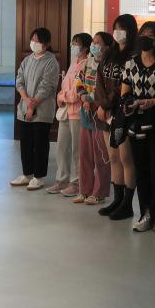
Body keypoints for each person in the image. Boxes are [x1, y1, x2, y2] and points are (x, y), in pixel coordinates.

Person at [120, 21, 155, 232]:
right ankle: (146, 213)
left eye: (151, 36)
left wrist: (151, 102)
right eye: (144, 34)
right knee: (141, 168)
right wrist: (129, 103)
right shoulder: (130, 63)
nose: (146, 39)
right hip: (136, 121)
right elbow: (125, 92)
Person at [95, 14, 138, 218]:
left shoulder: (133, 56)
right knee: (113, 158)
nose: (118, 32)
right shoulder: (109, 54)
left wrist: (107, 104)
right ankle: (117, 200)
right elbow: (100, 80)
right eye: (115, 28)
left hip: (122, 113)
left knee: (125, 158)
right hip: (106, 112)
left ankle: (127, 204)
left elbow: (123, 85)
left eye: (122, 28)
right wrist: (101, 105)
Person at [10, 28, 61, 191]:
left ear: (46, 43)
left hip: (42, 109)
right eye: (33, 39)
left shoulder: (51, 62)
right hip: (25, 108)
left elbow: (47, 86)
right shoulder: (27, 60)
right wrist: (26, 100)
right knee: (25, 143)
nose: (34, 43)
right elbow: (19, 80)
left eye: (37, 40)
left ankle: (39, 177)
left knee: (40, 144)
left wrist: (33, 105)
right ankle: (27, 174)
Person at [75, 32, 114, 205]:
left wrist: (97, 103)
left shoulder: (109, 66)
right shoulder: (88, 62)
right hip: (86, 113)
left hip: (101, 114)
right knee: (85, 155)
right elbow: (79, 83)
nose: (94, 45)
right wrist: (84, 97)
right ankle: (84, 190)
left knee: (101, 156)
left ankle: (99, 192)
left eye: (98, 42)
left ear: (107, 46)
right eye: (93, 42)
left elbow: (111, 92)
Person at [49, 33, 90, 196]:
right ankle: (62, 179)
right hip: (66, 111)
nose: (73, 45)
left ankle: (78, 182)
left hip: (78, 113)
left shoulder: (87, 64)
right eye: (72, 42)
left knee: (77, 150)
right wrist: (60, 96)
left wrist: (63, 97)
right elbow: (65, 85)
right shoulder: (74, 62)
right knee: (62, 147)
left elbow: (78, 91)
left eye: (76, 43)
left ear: (85, 47)